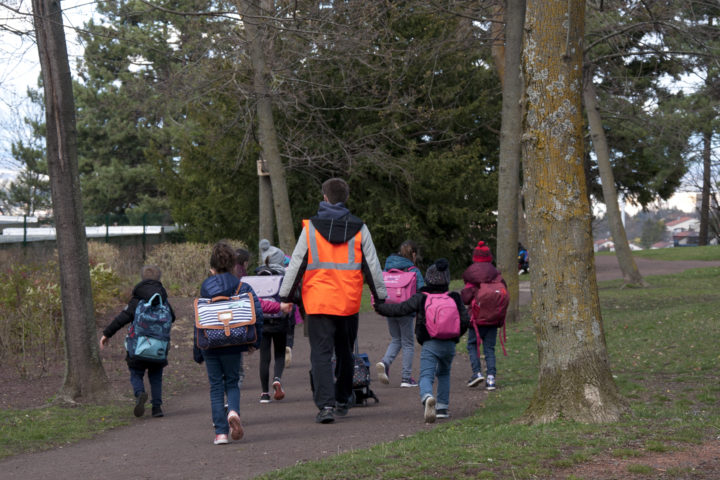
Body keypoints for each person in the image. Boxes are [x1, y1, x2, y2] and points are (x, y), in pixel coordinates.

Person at [279, 177, 387, 424]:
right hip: (347, 301)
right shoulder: (360, 229)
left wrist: (286, 296)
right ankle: (342, 399)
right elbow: (372, 265)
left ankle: (325, 406)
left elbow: (296, 263)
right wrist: (380, 297)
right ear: (345, 199)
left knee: (320, 353)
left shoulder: (311, 228)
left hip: (317, 302)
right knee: (345, 352)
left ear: (325, 198)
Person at [374, 258, 468, 423]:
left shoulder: (421, 297)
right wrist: (455, 336)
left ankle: (427, 397)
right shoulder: (454, 297)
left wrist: (380, 307)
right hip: (449, 345)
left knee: (426, 375)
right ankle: (442, 408)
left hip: (430, 343)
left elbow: (400, 308)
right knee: (444, 373)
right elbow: (465, 320)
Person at [194, 242, 263, 445]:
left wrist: (198, 349)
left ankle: (221, 433)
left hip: (210, 343)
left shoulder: (205, 288)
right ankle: (233, 411)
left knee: (216, 386)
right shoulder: (243, 286)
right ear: (234, 265)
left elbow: (199, 319)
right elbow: (257, 314)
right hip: (235, 342)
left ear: (211, 268)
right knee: (232, 381)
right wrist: (254, 341)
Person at [100, 265, 176, 418]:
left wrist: (106, 334)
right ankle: (157, 408)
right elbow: (172, 317)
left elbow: (121, 318)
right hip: (159, 349)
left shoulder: (137, 300)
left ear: (142, 279)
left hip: (138, 348)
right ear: (159, 279)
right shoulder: (163, 300)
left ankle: (140, 393)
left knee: (136, 373)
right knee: (156, 377)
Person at [376, 240, 425, 387]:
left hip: (389, 308)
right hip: (406, 310)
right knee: (408, 343)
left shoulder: (388, 266)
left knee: (396, 338)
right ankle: (406, 378)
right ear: (413, 254)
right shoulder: (413, 271)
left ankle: (385, 362)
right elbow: (422, 290)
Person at [461, 240, 506, 391]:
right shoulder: (496, 274)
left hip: (476, 319)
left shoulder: (472, 274)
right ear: (489, 257)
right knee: (490, 348)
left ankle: (477, 372)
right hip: (493, 318)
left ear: (475, 257)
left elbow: (466, 298)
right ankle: (491, 378)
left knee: (473, 345)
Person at [251, 241, 289, 403]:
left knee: (264, 357)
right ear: (280, 260)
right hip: (280, 319)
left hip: (262, 320)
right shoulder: (284, 276)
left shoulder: (257, 275)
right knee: (280, 353)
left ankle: (264, 394)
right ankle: (277, 379)